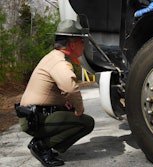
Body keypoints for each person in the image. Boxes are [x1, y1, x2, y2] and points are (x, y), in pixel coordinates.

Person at [17, 19, 95, 167]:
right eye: (81, 41)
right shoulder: (59, 62)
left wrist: (63, 102)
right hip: (35, 119)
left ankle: (46, 144)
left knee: (69, 108)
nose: (83, 45)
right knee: (87, 123)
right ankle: (42, 146)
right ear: (72, 45)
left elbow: (51, 90)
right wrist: (79, 108)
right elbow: (70, 88)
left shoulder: (51, 57)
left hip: (33, 116)